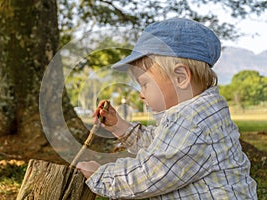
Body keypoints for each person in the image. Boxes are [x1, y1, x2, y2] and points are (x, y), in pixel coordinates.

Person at [76, 18, 257, 199]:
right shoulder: (195, 114)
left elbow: (149, 176)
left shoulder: (193, 123)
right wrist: (119, 127)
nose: (141, 93)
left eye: (145, 83)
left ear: (180, 78)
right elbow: (161, 146)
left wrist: (100, 175)